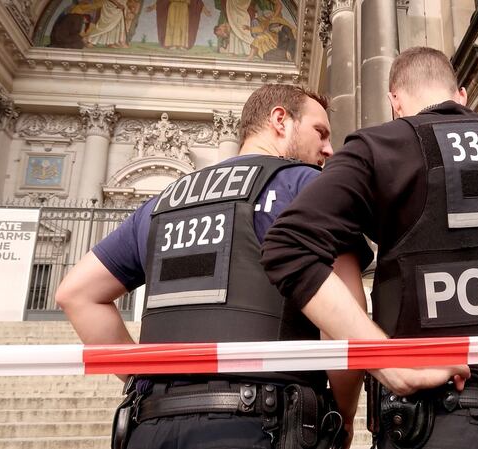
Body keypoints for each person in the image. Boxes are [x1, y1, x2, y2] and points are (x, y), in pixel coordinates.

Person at [262, 46, 478, 448]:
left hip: (432, 426)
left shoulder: (382, 147)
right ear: (462, 95)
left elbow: (287, 245)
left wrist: (386, 362)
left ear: (395, 101)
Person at [55, 84, 367, 449]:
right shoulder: (307, 185)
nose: (329, 149)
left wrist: (141, 377)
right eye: (321, 132)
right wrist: (342, 418)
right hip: (264, 424)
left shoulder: (162, 203)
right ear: (280, 120)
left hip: (152, 425)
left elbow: (75, 294)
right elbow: (347, 315)